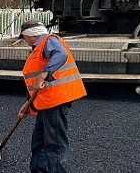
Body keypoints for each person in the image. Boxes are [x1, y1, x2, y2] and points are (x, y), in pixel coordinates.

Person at [17, 19, 87, 173]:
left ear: (30, 35)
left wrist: (43, 74)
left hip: (55, 101)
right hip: (44, 103)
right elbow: (34, 83)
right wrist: (28, 104)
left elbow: (60, 54)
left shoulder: (50, 41)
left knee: (54, 144)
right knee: (39, 142)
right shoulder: (39, 48)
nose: (25, 42)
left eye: (25, 38)